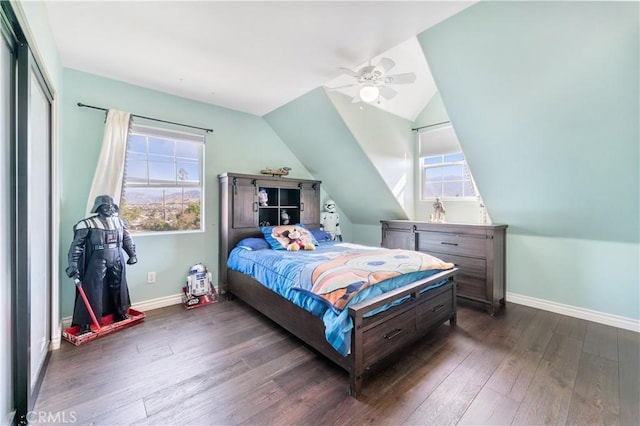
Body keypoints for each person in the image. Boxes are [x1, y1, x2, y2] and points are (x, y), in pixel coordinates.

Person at [66, 195, 138, 333]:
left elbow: (127, 239)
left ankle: (119, 312)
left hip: (117, 256)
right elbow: (76, 246)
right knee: (92, 289)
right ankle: (86, 323)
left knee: (118, 287)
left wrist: (132, 254)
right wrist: (73, 264)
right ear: (98, 207)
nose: (109, 209)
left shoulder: (120, 222)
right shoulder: (87, 224)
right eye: (105, 206)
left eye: (111, 206)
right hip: (98, 258)